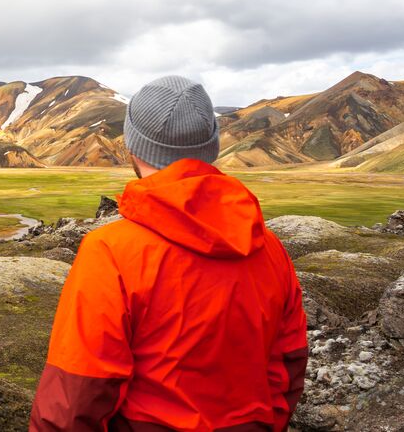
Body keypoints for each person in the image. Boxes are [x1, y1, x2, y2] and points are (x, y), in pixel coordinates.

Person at [30, 75, 307, 431]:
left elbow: (78, 393)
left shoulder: (110, 251)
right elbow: (287, 367)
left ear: (132, 146)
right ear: (213, 145)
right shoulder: (269, 249)